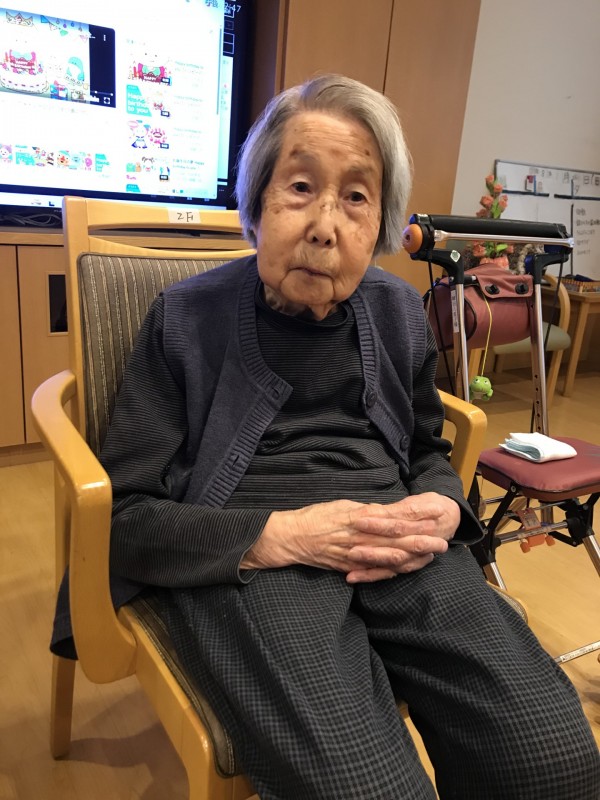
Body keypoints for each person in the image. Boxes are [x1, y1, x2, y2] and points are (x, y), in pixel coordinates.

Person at [82, 75, 598, 798]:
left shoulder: (396, 311)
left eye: (356, 197)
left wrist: (443, 507)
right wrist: (282, 536)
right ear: (257, 204)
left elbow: (425, 451)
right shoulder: (183, 318)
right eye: (299, 187)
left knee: (554, 755)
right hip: (251, 552)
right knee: (369, 789)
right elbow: (126, 519)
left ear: (380, 224)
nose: (325, 225)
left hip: (395, 537)